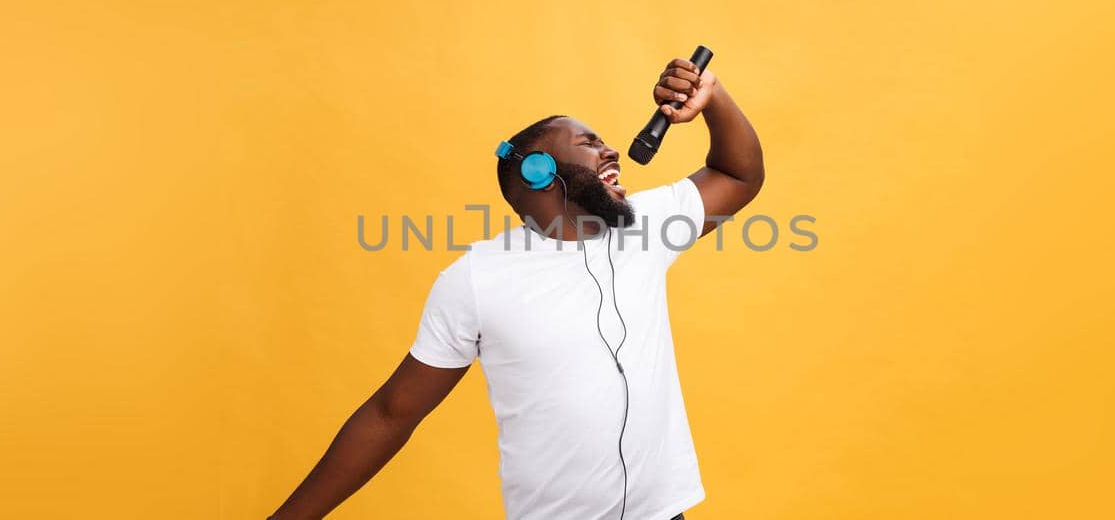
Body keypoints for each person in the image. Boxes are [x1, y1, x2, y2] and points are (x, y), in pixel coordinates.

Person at [270, 55, 764, 520]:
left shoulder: (643, 227)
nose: (611, 149)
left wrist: (711, 97)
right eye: (590, 142)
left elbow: (738, 173)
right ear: (539, 172)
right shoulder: (476, 279)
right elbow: (389, 414)